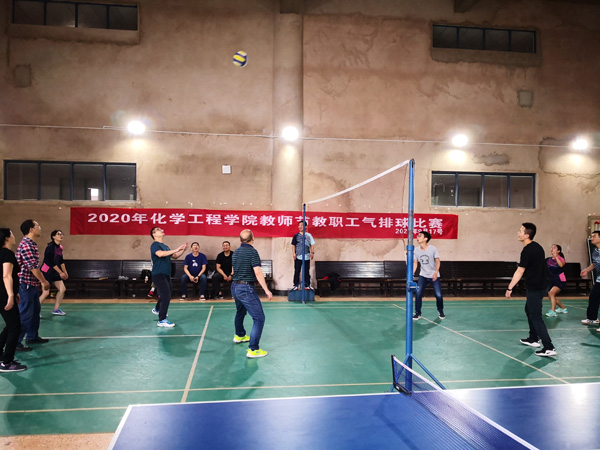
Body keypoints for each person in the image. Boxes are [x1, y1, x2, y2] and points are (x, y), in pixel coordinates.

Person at [506, 223, 556, 357]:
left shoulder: (527, 251)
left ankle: (549, 347)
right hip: (541, 285)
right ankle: (533, 338)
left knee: (536, 316)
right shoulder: (537, 247)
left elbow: (520, 271)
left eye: (520, 231)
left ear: (527, 235)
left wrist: (510, 288)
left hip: (535, 287)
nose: (518, 233)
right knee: (529, 310)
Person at [231, 229, 272, 358]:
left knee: (240, 312)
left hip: (235, 287)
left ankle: (240, 335)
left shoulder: (235, 253)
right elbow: (258, 272)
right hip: (245, 289)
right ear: (253, 239)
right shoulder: (252, 252)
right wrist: (266, 290)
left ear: (240, 240)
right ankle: (253, 349)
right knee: (259, 318)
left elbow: (233, 271)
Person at [16, 219, 50, 351]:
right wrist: (43, 281)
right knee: (25, 313)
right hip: (25, 285)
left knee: (35, 311)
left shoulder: (32, 244)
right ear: (31, 229)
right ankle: (16, 342)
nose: (40, 228)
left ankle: (32, 336)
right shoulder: (26, 245)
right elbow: (33, 267)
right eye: (38, 226)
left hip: (32, 284)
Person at [149, 227, 188, 327]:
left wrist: (183, 250)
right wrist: (176, 249)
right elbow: (160, 254)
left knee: (167, 293)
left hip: (166, 275)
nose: (161, 230)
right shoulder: (155, 245)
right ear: (154, 234)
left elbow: (175, 256)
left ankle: (157, 309)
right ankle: (162, 320)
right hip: (158, 274)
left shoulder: (165, 246)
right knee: (166, 296)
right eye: (158, 229)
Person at [0, 228, 27, 372]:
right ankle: (7, 363)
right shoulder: (7, 254)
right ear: (6, 238)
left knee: (10, 325)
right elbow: (6, 275)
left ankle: (1, 356)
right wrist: (10, 295)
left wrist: (14, 293)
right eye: (11, 233)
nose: (13, 235)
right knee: (15, 327)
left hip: (4, 294)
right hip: (4, 295)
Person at [412, 231, 445, 320]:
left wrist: (436, 272)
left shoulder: (433, 249)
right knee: (418, 294)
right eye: (418, 236)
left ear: (425, 239)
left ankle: (440, 310)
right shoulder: (416, 250)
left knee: (438, 295)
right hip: (423, 275)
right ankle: (418, 313)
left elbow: (438, 262)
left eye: (420, 236)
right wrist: (412, 273)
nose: (417, 237)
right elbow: (415, 263)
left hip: (434, 275)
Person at [39, 230, 69, 316]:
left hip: (54, 271)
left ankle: (56, 309)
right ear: (53, 237)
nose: (61, 235)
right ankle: (35, 311)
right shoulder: (50, 247)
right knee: (45, 293)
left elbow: (61, 261)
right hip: (46, 271)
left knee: (62, 289)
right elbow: (51, 262)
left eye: (62, 234)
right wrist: (60, 272)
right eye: (58, 234)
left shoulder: (60, 248)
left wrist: (65, 272)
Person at [580, 230, 600, 329]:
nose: (592, 238)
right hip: (599, 279)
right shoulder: (595, 250)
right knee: (593, 297)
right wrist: (586, 270)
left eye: (594, 236)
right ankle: (592, 318)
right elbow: (595, 263)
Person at [291, 221, 315, 290]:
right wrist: (294, 253)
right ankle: (295, 285)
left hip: (306, 257)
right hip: (298, 256)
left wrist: (312, 252)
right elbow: (293, 245)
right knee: (297, 271)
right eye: (299, 225)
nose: (300, 227)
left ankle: (307, 285)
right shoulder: (296, 236)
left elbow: (312, 244)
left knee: (306, 271)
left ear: (306, 227)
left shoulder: (309, 235)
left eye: (302, 225)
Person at [545, 244, 567, 317]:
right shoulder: (548, 260)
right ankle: (563, 309)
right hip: (552, 279)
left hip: (560, 279)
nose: (552, 249)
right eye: (551, 248)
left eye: (554, 248)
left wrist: (556, 257)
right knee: (550, 296)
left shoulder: (561, 258)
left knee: (552, 294)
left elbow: (561, 265)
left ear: (558, 251)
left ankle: (553, 312)